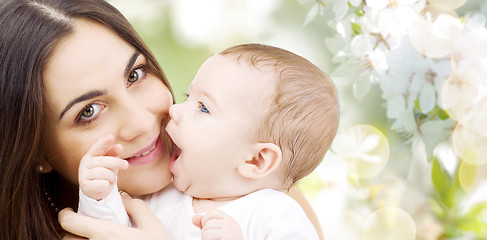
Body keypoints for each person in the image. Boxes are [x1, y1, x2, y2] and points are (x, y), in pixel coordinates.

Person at [0, 0, 324, 239]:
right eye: (89, 111)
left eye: (135, 74)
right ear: (35, 150)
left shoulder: (255, 190)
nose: (141, 123)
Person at [77, 43, 340, 239]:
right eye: (187, 96)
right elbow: (109, 233)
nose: (175, 110)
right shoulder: (160, 196)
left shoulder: (273, 214)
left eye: (203, 108)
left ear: (255, 160)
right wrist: (99, 197)